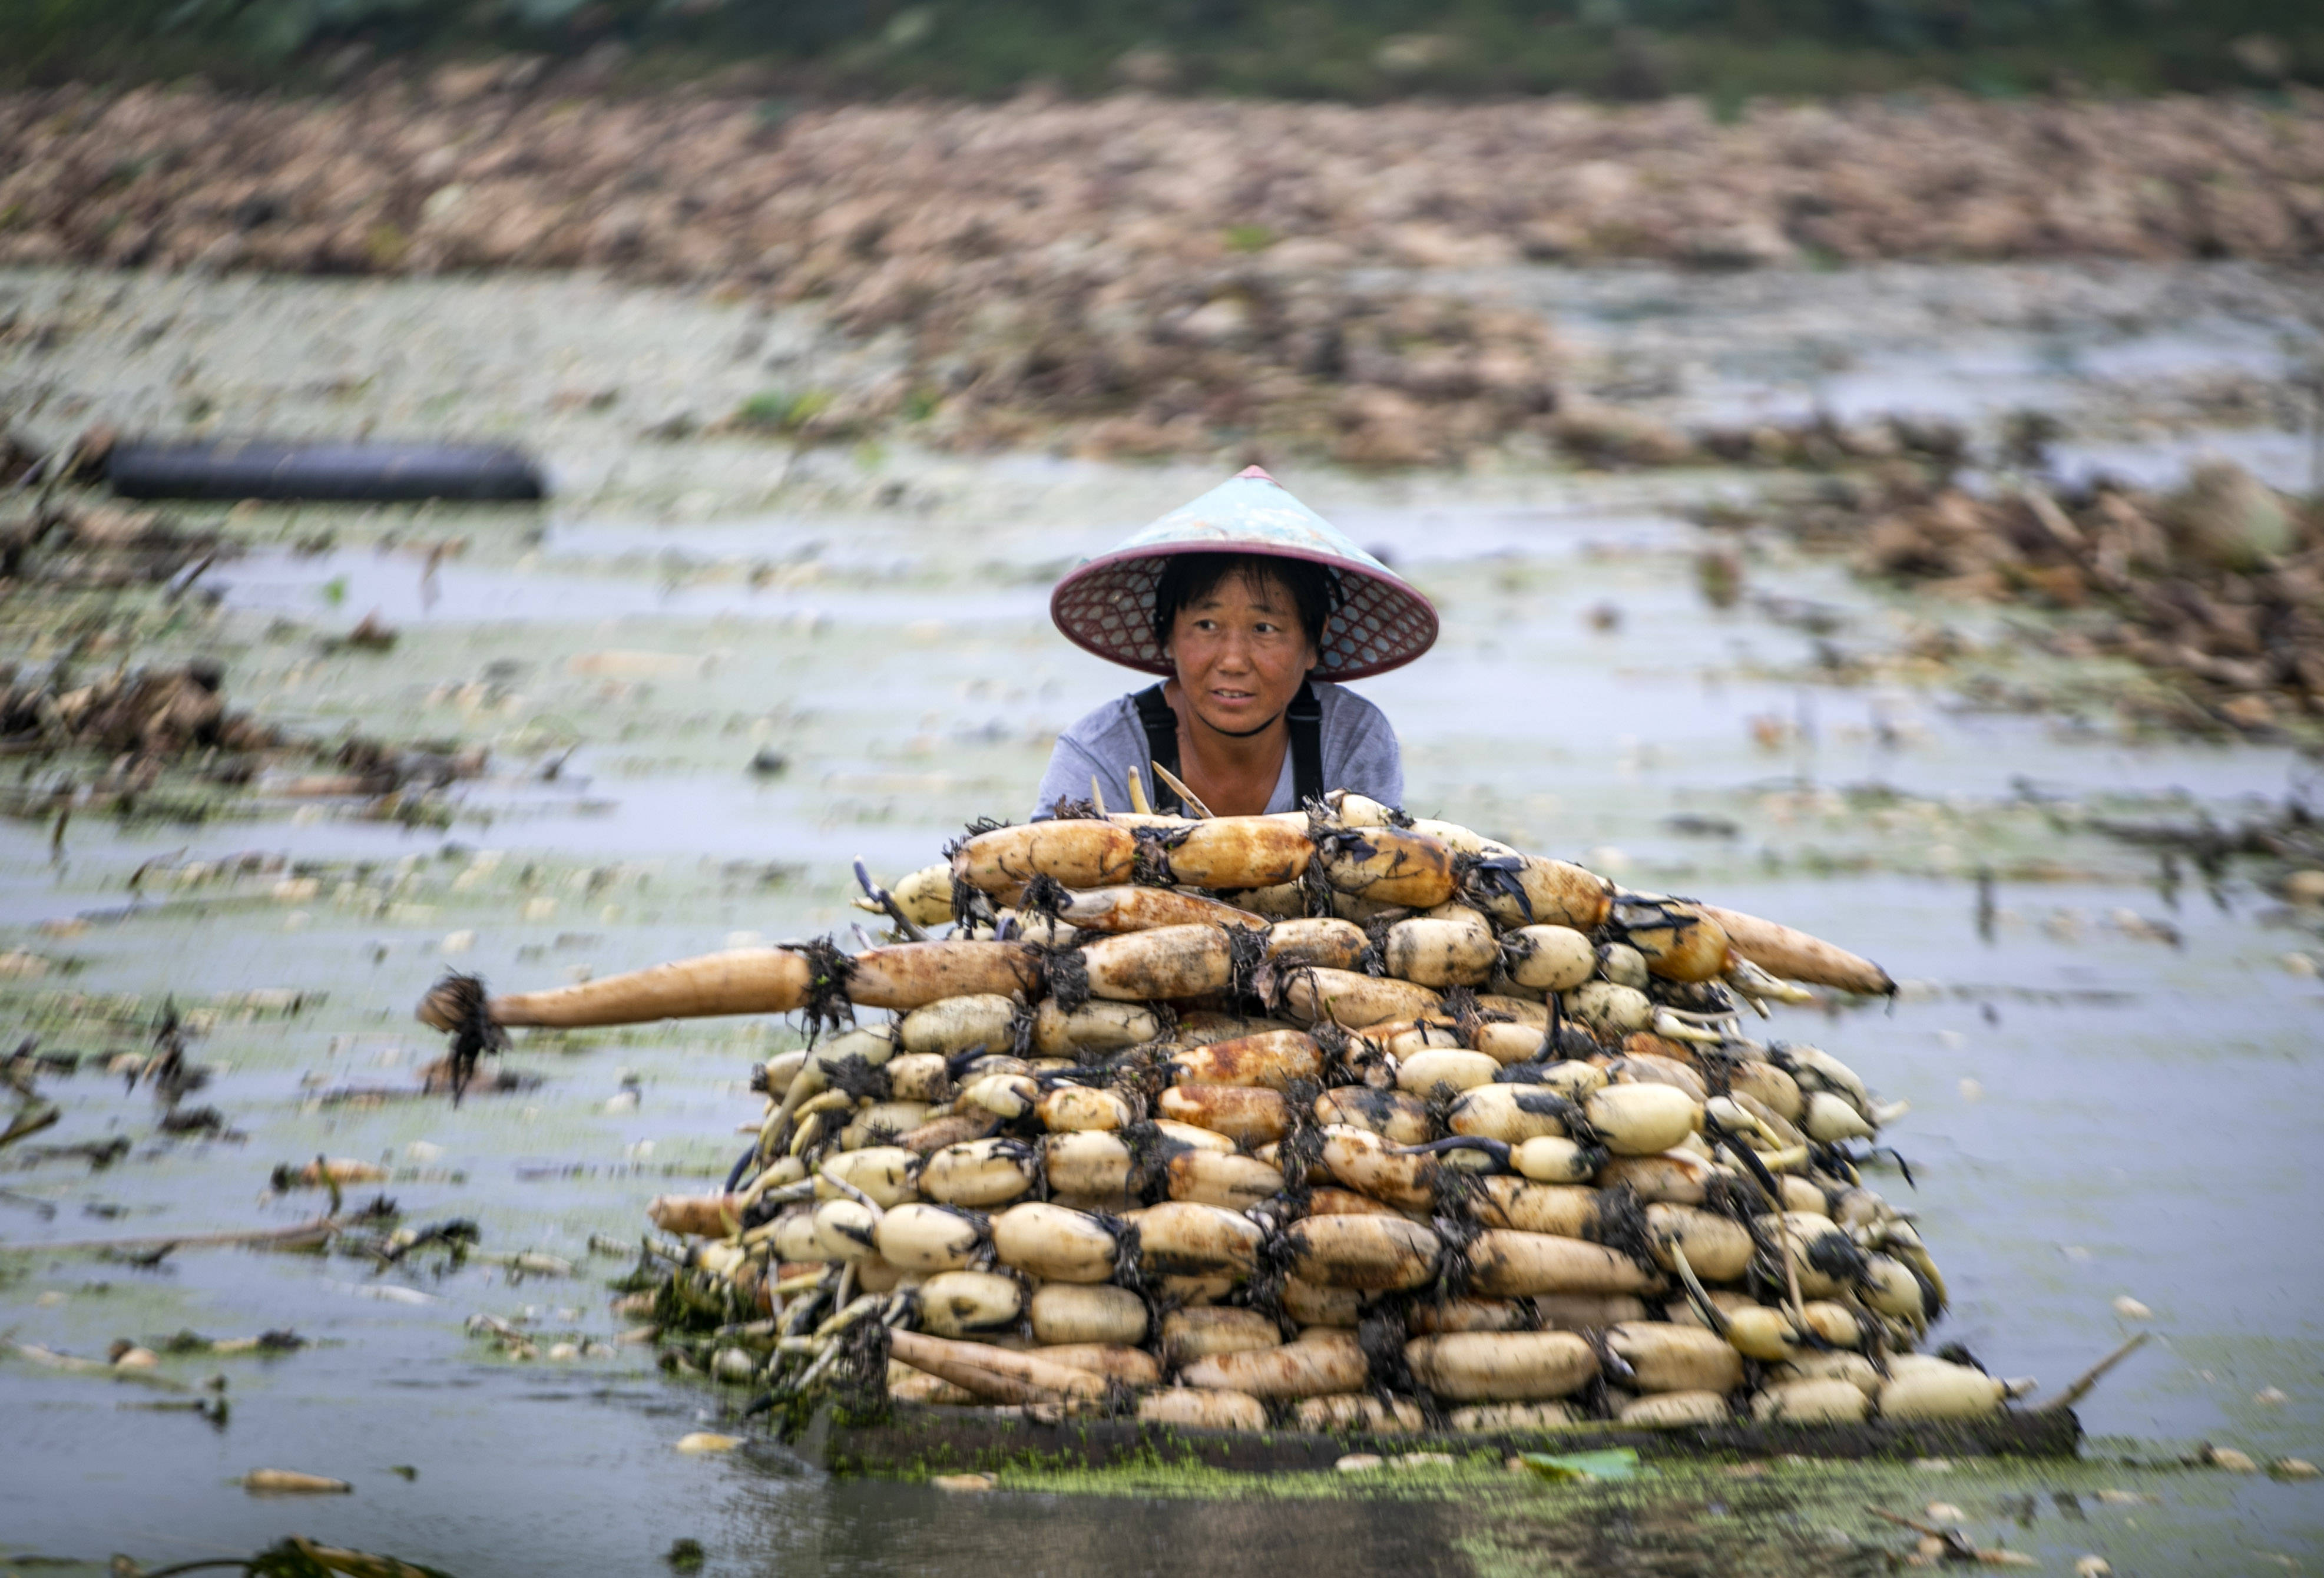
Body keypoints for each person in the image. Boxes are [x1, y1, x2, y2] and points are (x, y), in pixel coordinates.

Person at [1034, 466, 1438, 820]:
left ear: (1315, 640)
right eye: (1207, 624)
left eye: (1264, 629)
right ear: (1168, 633)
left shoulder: (1351, 741)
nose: (1232, 660)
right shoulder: (1099, 757)